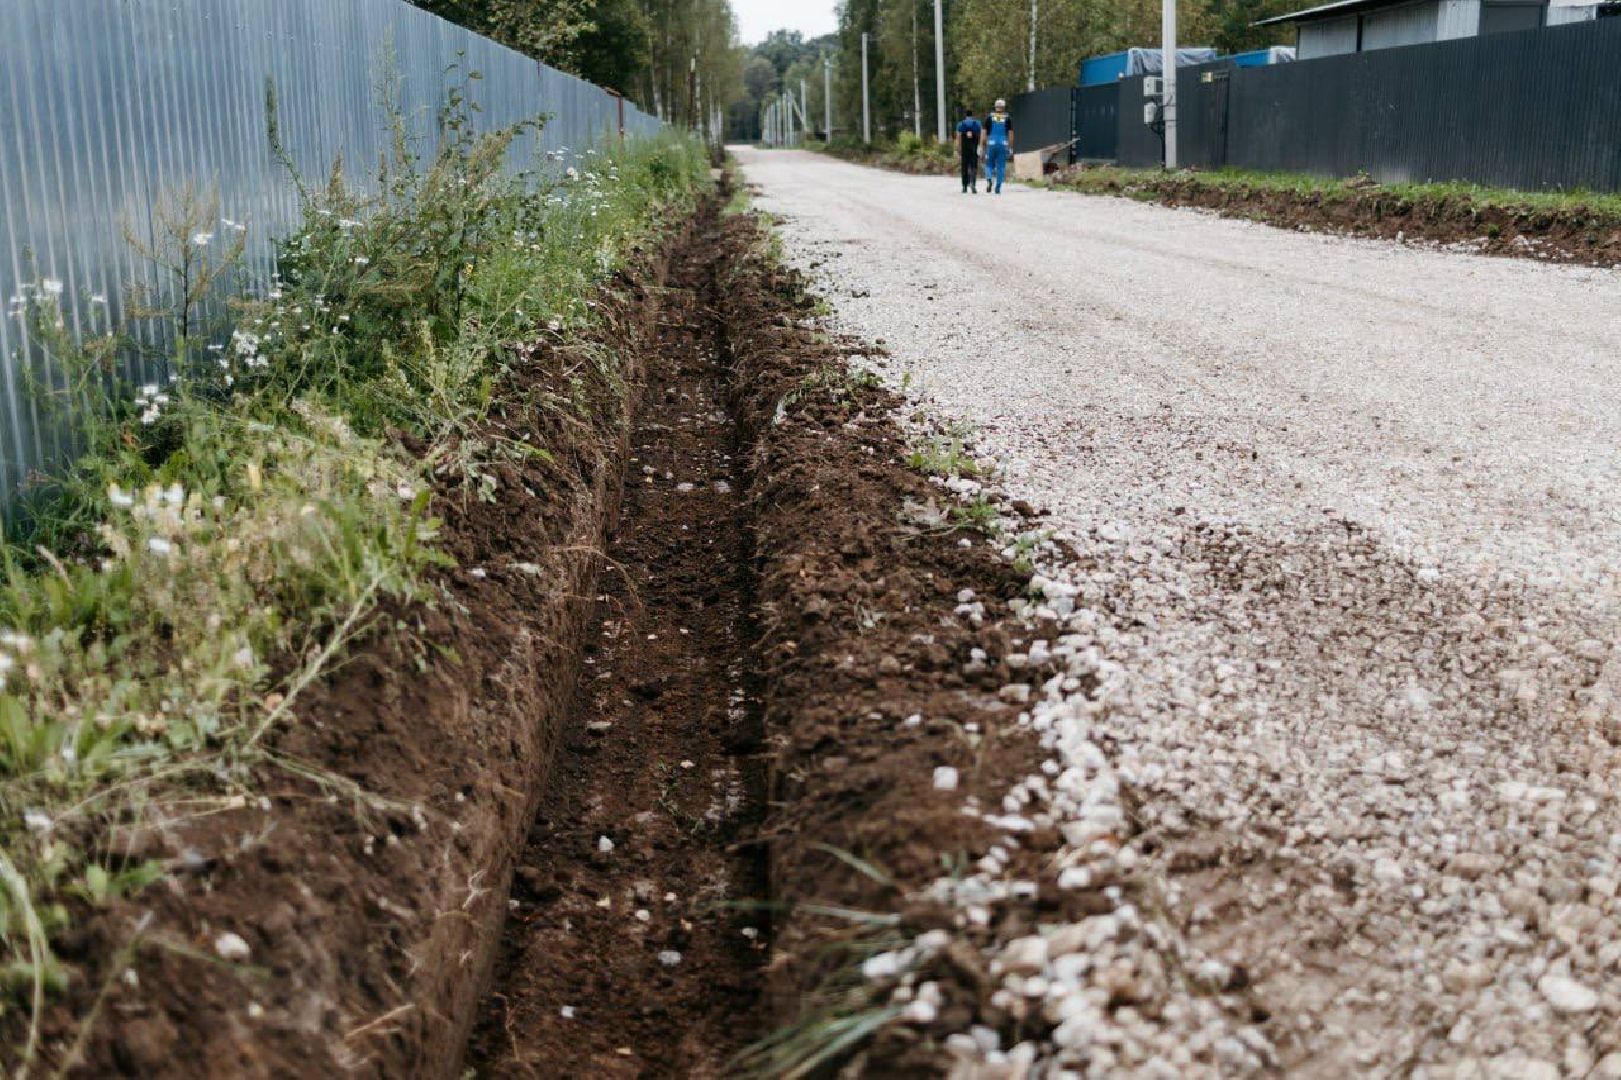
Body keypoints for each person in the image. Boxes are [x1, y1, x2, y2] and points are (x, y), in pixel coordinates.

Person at [983, 98, 1014, 194]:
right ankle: (998, 187)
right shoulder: (1008, 118)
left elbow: (983, 133)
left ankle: (989, 178)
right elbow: (1011, 134)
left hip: (991, 142)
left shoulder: (989, 117)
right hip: (1003, 143)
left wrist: (982, 145)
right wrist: (1010, 147)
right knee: (1001, 166)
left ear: (995, 107)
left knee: (989, 164)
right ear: (1003, 107)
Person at [954, 107, 983, 194]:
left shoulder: (960, 124)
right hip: (974, 147)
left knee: (964, 167)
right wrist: (980, 146)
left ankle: (964, 187)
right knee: (974, 166)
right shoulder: (977, 124)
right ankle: (973, 183)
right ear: (972, 115)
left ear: (965, 115)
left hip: (964, 148)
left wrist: (958, 148)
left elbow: (958, 137)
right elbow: (981, 135)